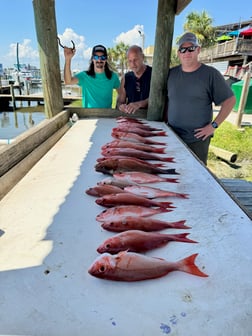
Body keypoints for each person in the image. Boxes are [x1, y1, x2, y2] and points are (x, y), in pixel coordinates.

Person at [166, 32, 236, 165]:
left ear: (198, 50)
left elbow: (230, 100)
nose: (187, 52)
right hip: (173, 135)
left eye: (191, 48)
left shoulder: (210, 74)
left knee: (196, 175)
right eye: (183, 49)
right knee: (171, 171)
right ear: (178, 53)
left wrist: (213, 126)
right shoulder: (171, 74)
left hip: (197, 140)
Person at [117, 45, 152, 114]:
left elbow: (160, 97)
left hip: (150, 118)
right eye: (130, 61)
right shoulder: (126, 78)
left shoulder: (154, 75)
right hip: (131, 119)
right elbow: (120, 102)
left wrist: (140, 104)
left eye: (135, 60)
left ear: (142, 57)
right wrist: (121, 107)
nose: (133, 64)